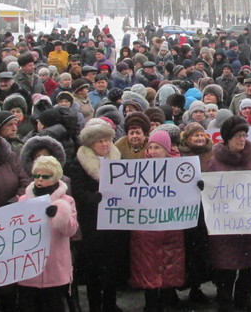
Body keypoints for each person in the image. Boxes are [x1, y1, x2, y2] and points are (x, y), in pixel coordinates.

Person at [65, 118, 128, 312]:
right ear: (90, 144)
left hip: (113, 224)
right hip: (92, 225)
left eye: (106, 140)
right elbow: (79, 192)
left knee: (112, 267)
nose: (104, 144)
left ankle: (110, 303)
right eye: (99, 141)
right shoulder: (79, 163)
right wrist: (97, 199)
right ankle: (95, 305)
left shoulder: (118, 159)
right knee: (94, 270)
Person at [205, 116, 251, 312]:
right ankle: (225, 300)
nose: (242, 139)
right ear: (227, 138)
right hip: (226, 224)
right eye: (238, 135)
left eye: (244, 135)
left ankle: (243, 298)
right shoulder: (215, 162)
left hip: (250, 221)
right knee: (226, 265)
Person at [130, 130, 186, 312]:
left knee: (170, 263)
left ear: (167, 150)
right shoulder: (138, 171)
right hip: (147, 229)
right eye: (151, 147)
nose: (153, 151)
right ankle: (152, 302)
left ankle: (168, 298)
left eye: (158, 148)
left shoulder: (179, 169)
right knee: (148, 265)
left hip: (171, 227)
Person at [18, 155, 79, 312]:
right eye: (37, 175)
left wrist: (60, 215)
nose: (40, 179)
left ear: (56, 177)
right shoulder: (24, 200)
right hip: (29, 269)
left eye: (45, 176)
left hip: (55, 268)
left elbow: (71, 230)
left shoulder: (67, 201)